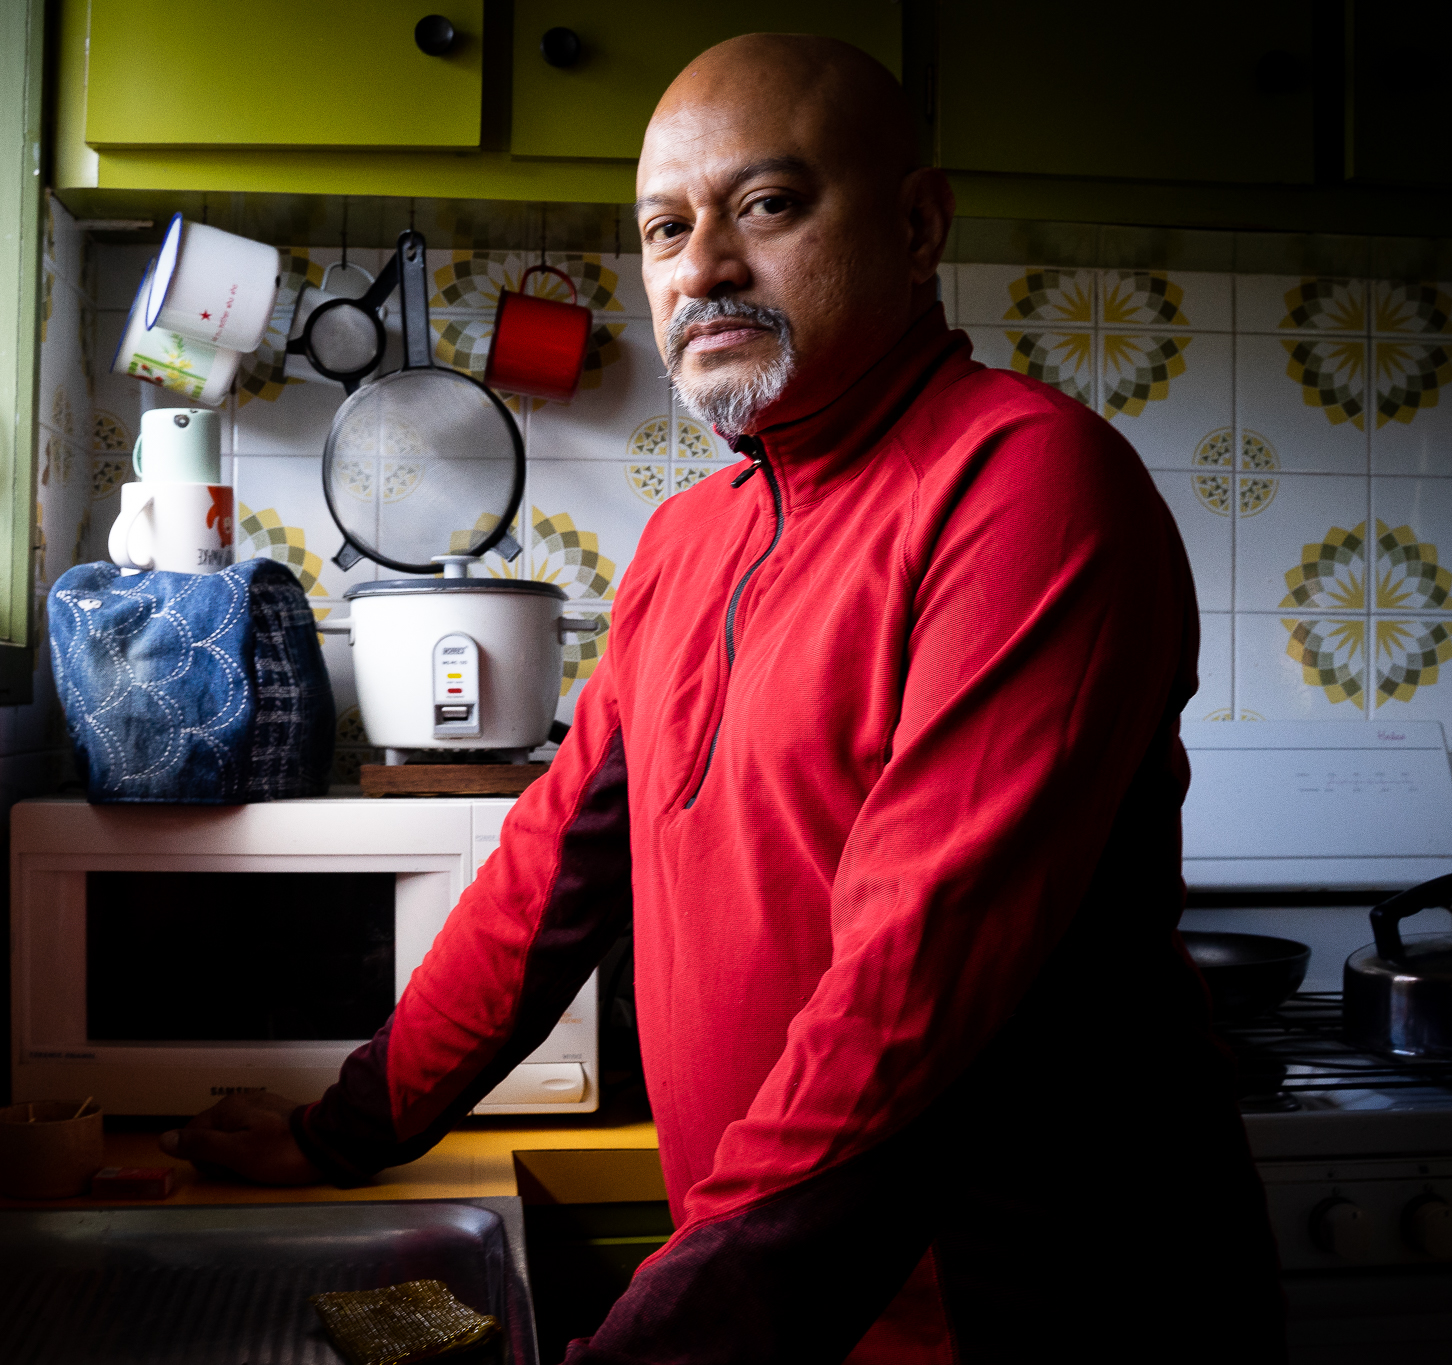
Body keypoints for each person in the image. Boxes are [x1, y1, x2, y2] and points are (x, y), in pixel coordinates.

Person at [166, 33, 1285, 1364]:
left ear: (919, 225)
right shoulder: (690, 542)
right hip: (781, 1307)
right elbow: (545, 883)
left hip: (1025, 1313)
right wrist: (341, 1127)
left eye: (767, 205)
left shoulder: (1030, 486)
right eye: (663, 228)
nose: (701, 268)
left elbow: (907, 1001)